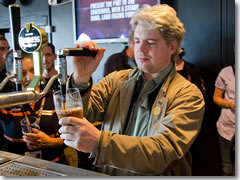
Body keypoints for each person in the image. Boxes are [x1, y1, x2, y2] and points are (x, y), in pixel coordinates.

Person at [58, 4, 205, 175]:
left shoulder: (187, 95)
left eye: (150, 42)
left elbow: (162, 154)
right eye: (137, 41)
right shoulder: (117, 80)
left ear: (172, 47)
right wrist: (81, 78)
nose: (140, 49)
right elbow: (85, 114)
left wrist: (101, 143)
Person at [0, 46, 67, 164]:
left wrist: (51, 142)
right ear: (9, 77)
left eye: (32, 71)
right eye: (22, 73)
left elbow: (72, 136)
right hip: (19, 169)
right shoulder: (6, 103)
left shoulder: (53, 96)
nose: (29, 78)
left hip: (55, 166)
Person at [213, 65, 235, 176]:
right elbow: (216, 97)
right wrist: (230, 104)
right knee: (227, 168)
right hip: (227, 126)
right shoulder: (226, 72)